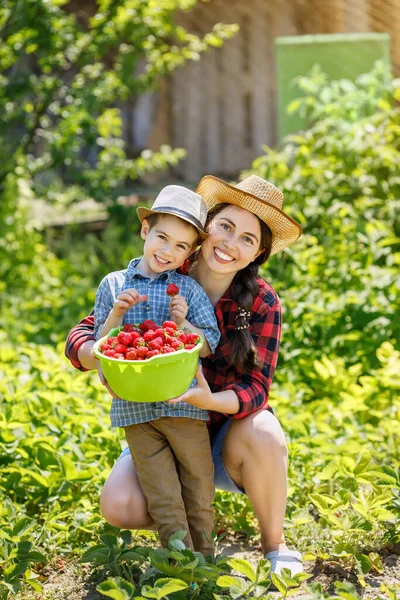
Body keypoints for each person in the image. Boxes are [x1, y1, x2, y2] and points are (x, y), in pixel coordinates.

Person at [65, 174, 304, 576]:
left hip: (225, 435)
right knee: (119, 504)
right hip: (156, 419)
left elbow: (256, 388)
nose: (230, 243)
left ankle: (274, 545)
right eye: (225, 226)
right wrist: (99, 356)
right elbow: (86, 331)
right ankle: (184, 534)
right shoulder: (168, 265)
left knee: (264, 431)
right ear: (205, 227)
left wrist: (208, 400)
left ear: (258, 253)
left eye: (247, 238)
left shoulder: (260, 302)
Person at [92, 184, 221, 556]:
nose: (168, 251)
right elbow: (103, 347)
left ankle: (206, 562)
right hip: (135, 410)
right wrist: (117, 314)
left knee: (198, 486)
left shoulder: (189, 291)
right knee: (162, 493)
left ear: (190, 252)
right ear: (145, 230)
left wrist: (183, 325)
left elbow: (208, 344)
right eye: (162, 238)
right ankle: (181, 567)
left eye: (181, 246)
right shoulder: (113, 285)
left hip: (184, 407)